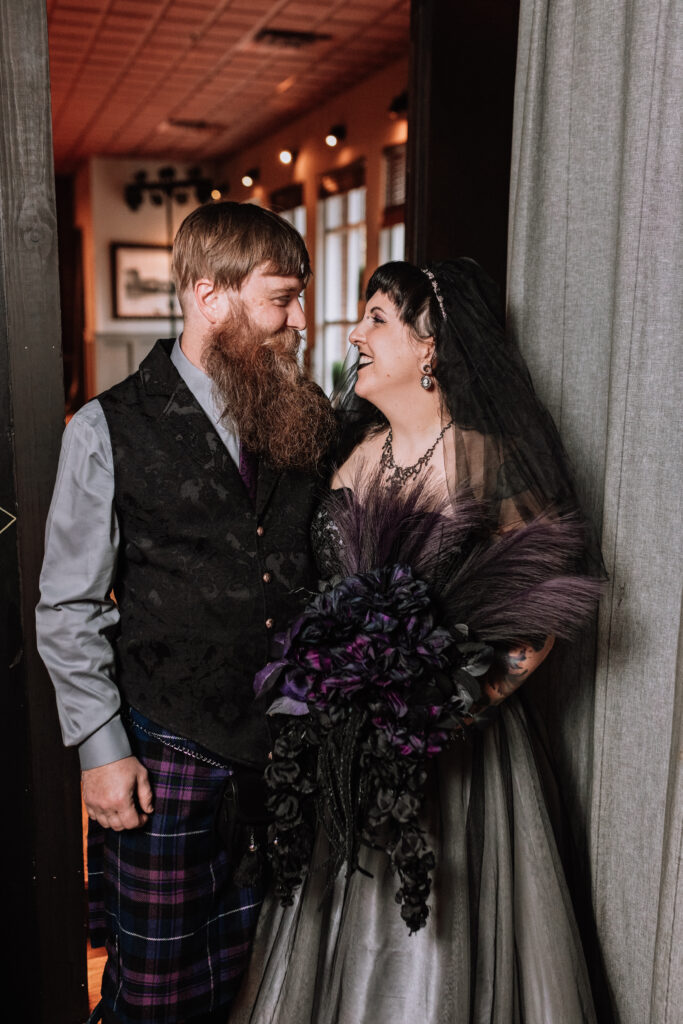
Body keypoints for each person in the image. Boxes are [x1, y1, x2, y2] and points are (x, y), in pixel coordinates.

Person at [231, 259, 604, 1023]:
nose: (354, 334)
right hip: (345, 750)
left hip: (455, 755)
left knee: (435, 938)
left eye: (376, 319)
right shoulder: (349, 454)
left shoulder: (481, 458)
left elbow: (541, 612)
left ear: (430, 346)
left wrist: (441, 712)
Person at [36, 201, 336, 1024]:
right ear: (211, 297)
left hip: (288, 760)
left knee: (270, 991)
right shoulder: (105, 427)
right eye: (281, 298)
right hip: (166, 757)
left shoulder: (301, 415)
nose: (299, 320)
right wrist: (101, 752)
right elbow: (68, 603)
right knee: (157, 999)